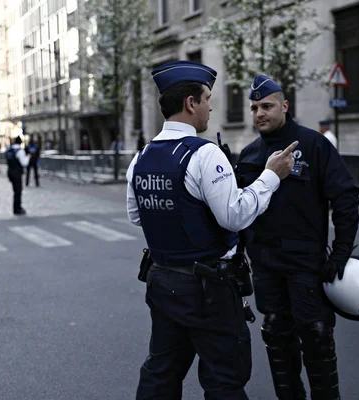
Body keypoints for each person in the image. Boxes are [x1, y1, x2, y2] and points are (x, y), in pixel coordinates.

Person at [127, 61, 297, 399]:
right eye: (207, 98)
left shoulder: (142, 156)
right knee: (224, 380)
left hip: (162, 281)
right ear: (191, 103)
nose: (210, 106)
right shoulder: (204, 153)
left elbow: (137, 215)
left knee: (161, 373)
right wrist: (271, 177)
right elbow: (234, 216)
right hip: (208, 288)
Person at [235, 75, 359, 400]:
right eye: (254, 108)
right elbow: (238, 209)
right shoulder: (249, 154)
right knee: (277, 339)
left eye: (266, 106)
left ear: (285, 106)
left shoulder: (314, 145)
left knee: (317, 340)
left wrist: (342, 252)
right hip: (266, 269)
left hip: (306, 268)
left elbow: (345, 197)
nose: (259, 113)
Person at [5, 136, 29, 215]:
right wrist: (28, 157)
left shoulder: (8, 149)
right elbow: (24, 163)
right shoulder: (20, 151)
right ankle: (17, 208)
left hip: (10, 171)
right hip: (17, 172)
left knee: (15, 190)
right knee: (18, 191)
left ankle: (16, 207)